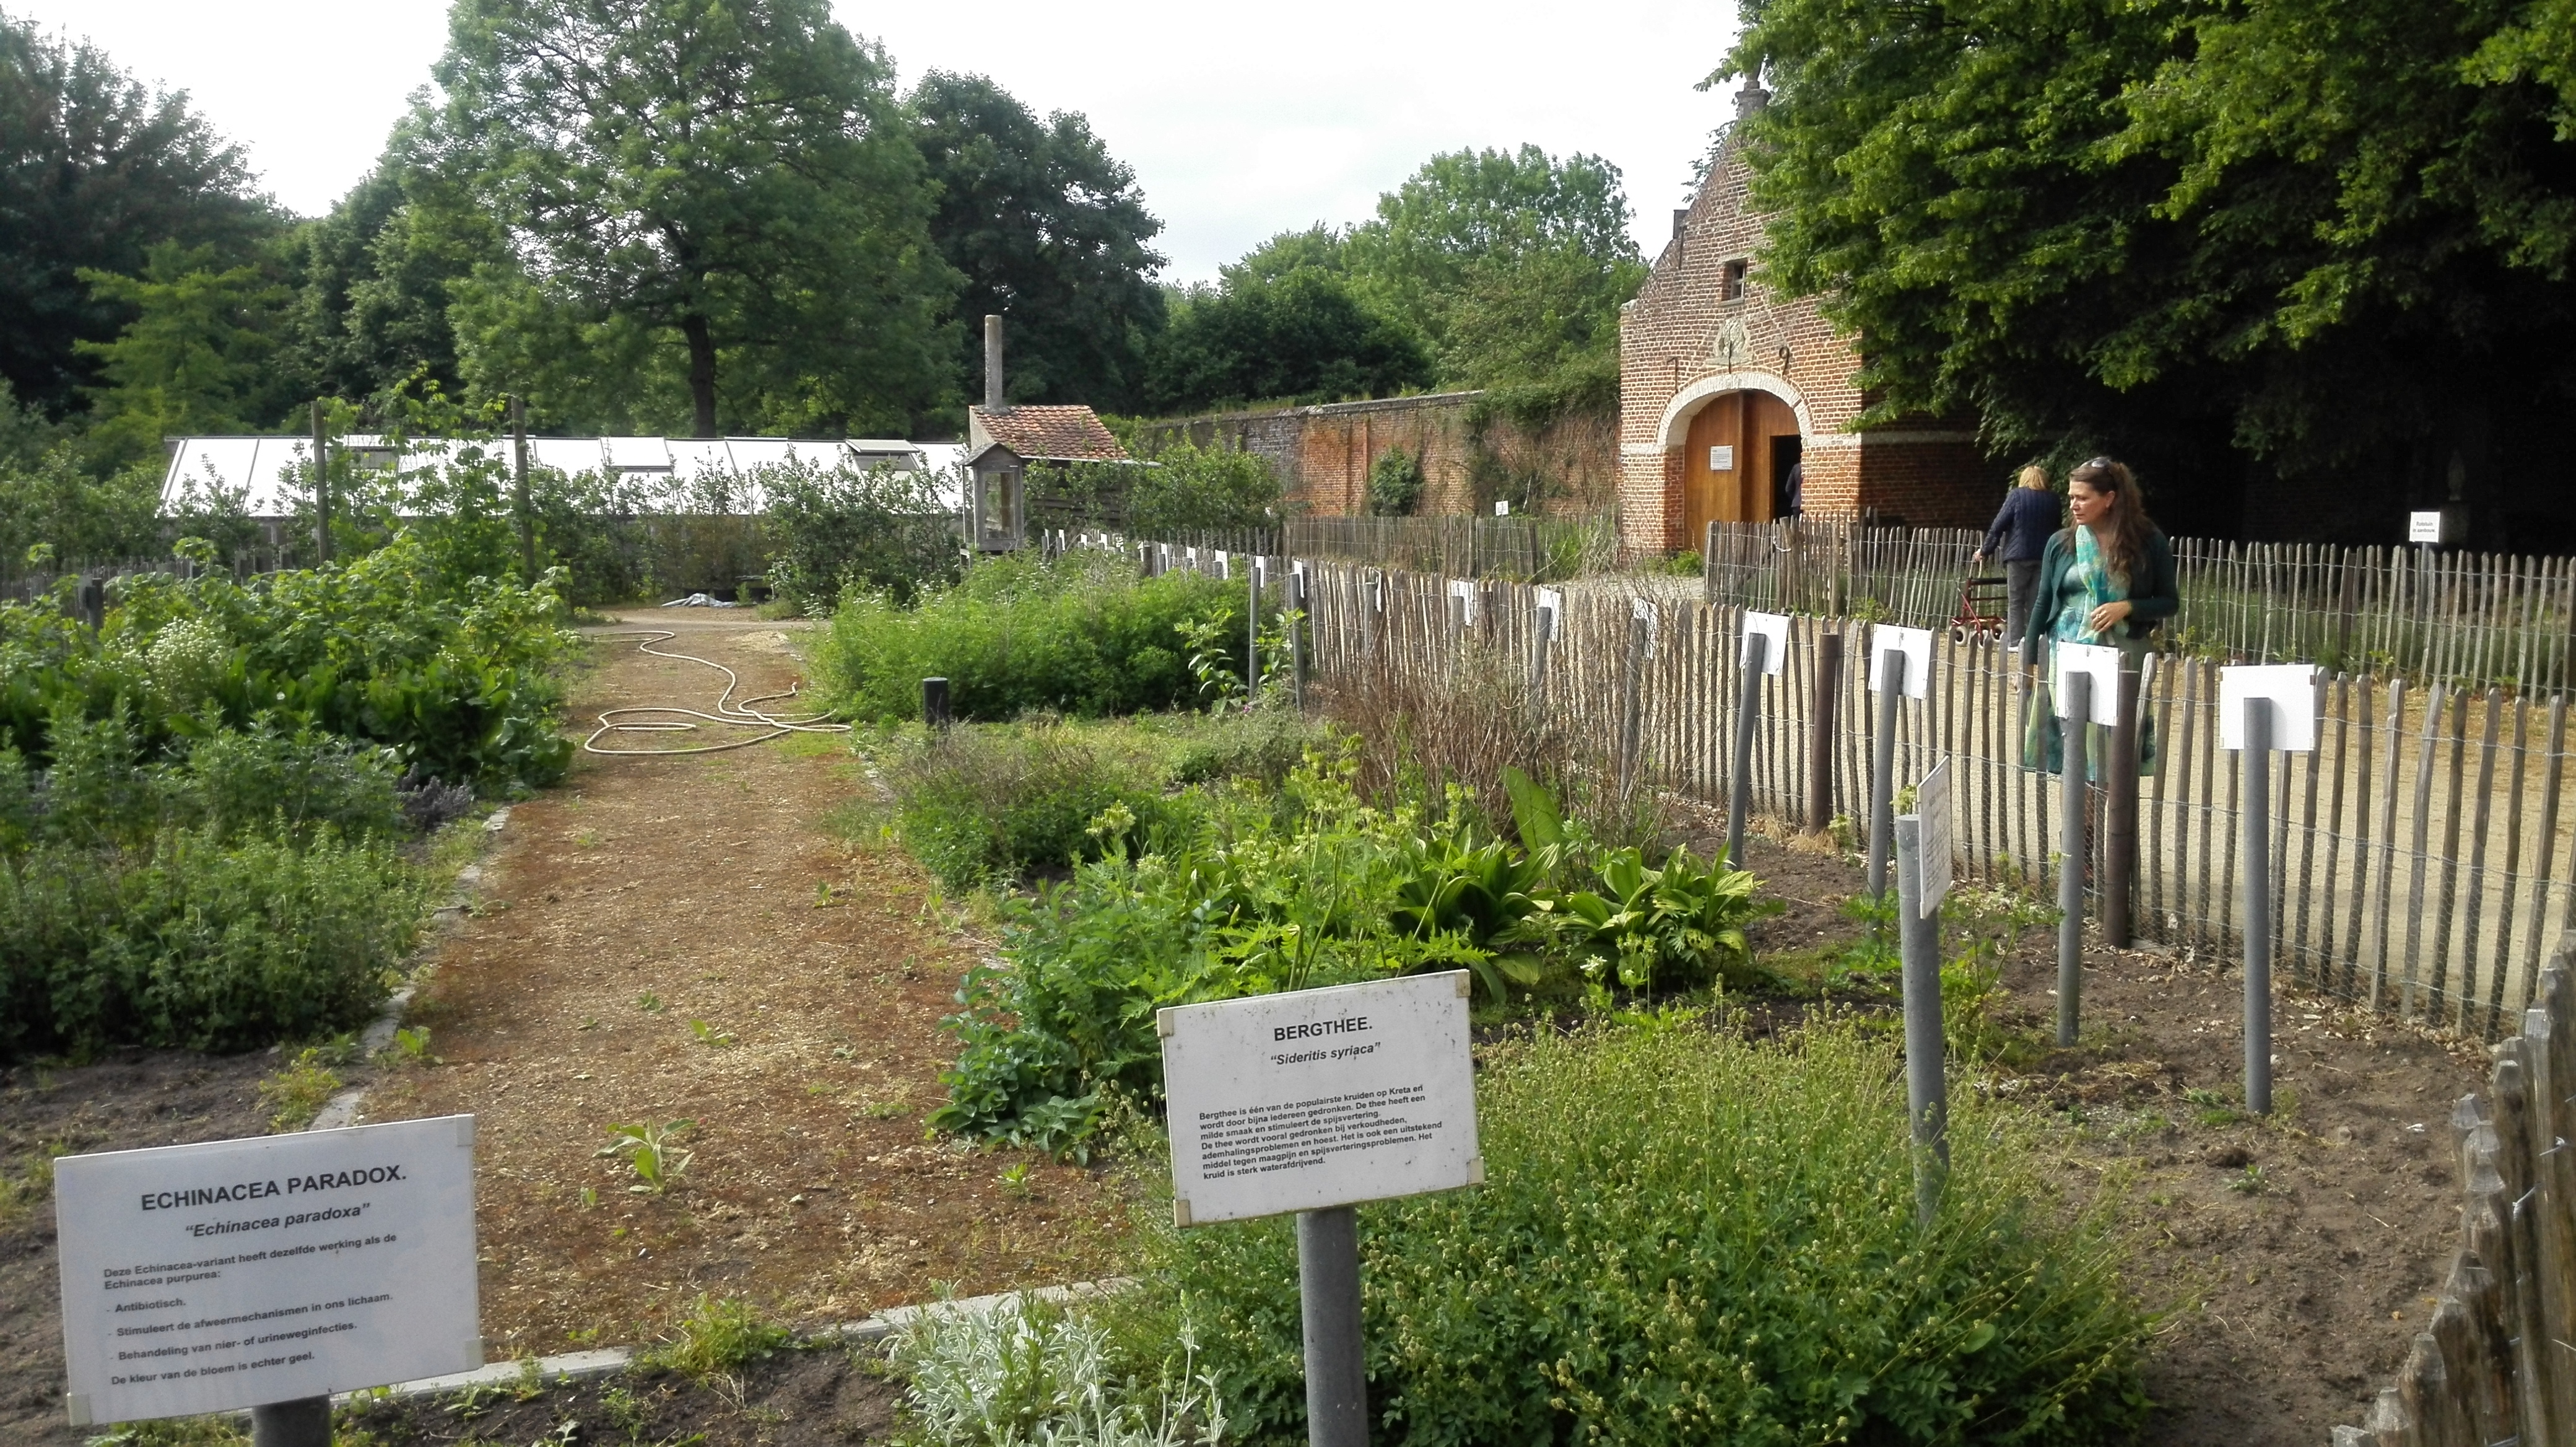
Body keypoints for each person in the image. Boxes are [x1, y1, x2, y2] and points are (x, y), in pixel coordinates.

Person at [2019, 456, 2177, 778]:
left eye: (2082, 498)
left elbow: (2169, 602)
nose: (2074, 505)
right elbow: (2043, 602)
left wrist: (2129, 607)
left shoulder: (2148, 542)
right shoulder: (2060, 544)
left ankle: (2101, 826)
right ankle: (2082, 829)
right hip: (2066, 655)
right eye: (2071, 497)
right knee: (2072, 749)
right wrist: (2030, 663)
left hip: (2123, 654)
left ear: (2110, 499)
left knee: (2110, 754)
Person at [1972, 465, 2059, 647]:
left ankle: (2014, 643)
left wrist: (1985, 550)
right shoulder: (2053, 499)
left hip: (2019, 556)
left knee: (2016, 601)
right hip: (2044, 557)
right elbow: (2057, 529)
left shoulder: (2017, 496)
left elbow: (1998, 526)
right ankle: (2036, 643)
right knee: (2038, 602)